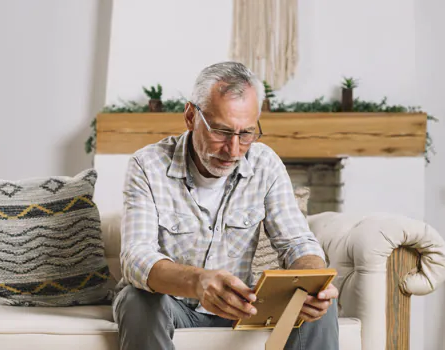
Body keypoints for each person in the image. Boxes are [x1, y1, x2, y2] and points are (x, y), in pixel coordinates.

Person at [112, 61, 339, 350]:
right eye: (221, 132)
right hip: (174, 307)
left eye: (246, 134)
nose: (233, 150)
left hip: (241, 309)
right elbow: (136, 257)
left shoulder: (264, 163)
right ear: (191, 116)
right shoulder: (148, 165)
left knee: (319, 302)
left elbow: (297, 242)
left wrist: (312, 283)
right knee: (137, 298)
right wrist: (198, 282)